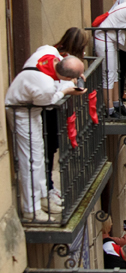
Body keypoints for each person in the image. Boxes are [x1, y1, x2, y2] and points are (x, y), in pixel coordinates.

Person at [5, 55, 85, 220]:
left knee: (39, 157)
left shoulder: (48, 59)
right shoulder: (46, 85)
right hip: (22, 115)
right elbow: (47, 103)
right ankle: (31, 210)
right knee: (31, 160)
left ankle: (42, 198)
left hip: (31, 113)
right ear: (68, 77)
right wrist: (65, 91)